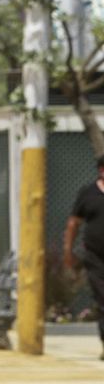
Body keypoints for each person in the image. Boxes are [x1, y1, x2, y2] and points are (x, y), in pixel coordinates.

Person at [64, 154, 104, 359]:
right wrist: (68, 252)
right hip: (96, 257)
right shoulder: (88, 194)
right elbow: (73, 224)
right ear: (101, 170)